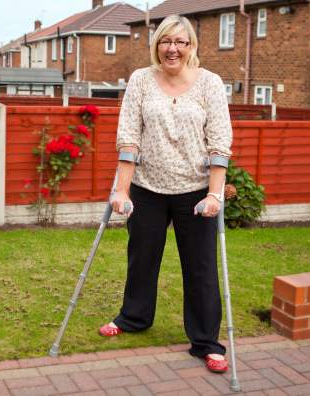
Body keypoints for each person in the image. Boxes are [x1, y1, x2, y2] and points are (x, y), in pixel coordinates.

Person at [99, 14, 233, 374]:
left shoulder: (210, 84)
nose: (172, 49)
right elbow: (129, 138)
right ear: (156, 44)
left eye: (180, 42)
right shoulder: (141, 81)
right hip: (147, 189)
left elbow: (219, 144)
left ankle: (207, 342)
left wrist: (215, 196)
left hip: (195, 192)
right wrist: (121, 190)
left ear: (191, 47)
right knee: (141, 258)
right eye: (165, 41)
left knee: (201, 269)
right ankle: (134, 317)